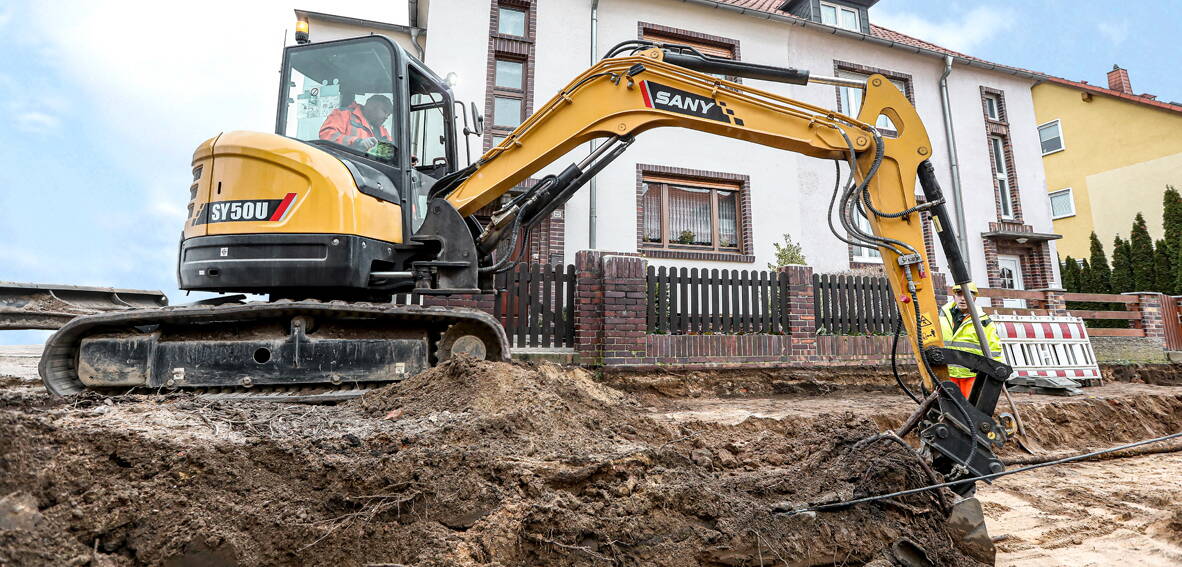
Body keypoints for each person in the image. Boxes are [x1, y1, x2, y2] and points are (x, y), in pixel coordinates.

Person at [940, 282, 1004, 399]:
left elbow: (994, 350)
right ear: (954, 296)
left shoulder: (983, 322)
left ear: (974, 298)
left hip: (971, 375)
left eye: (967, 296)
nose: (963, 299)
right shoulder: (943, 317)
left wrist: (995, 374)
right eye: (959, 294)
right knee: (950, 408)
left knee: (969, 410)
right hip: (947, 373)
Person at [319, 94, 393, 151]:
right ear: (370, 106)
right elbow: (326, 136)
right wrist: (357, 142)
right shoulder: (343, 114)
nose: (386, 117)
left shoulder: (383, 131)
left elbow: (390, 149)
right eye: (384, 111)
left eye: (388, 115)